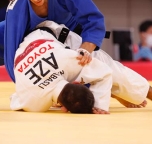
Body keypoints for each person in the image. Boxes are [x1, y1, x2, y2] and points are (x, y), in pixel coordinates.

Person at [11, 21, 151, 114]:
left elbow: (106, 71)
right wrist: (101, 103)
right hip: (30, 43)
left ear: (64, 109)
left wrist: (100, 105)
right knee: (102, 70)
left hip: (51, 34)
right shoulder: (33, 103)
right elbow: (15, 99)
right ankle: (111, 91)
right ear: (64, 108)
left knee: (105, 64)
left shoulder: (70, 60)